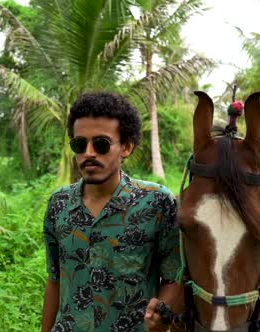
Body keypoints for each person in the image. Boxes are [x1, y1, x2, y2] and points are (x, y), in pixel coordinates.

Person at [41, 92, 182, 332]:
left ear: (126, 147)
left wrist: (160, 317)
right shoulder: (59, 204)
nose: (89, 153)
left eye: (101, 144)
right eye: (79, 144)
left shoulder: (157, 203)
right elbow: (55, 279)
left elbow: (173, 278)